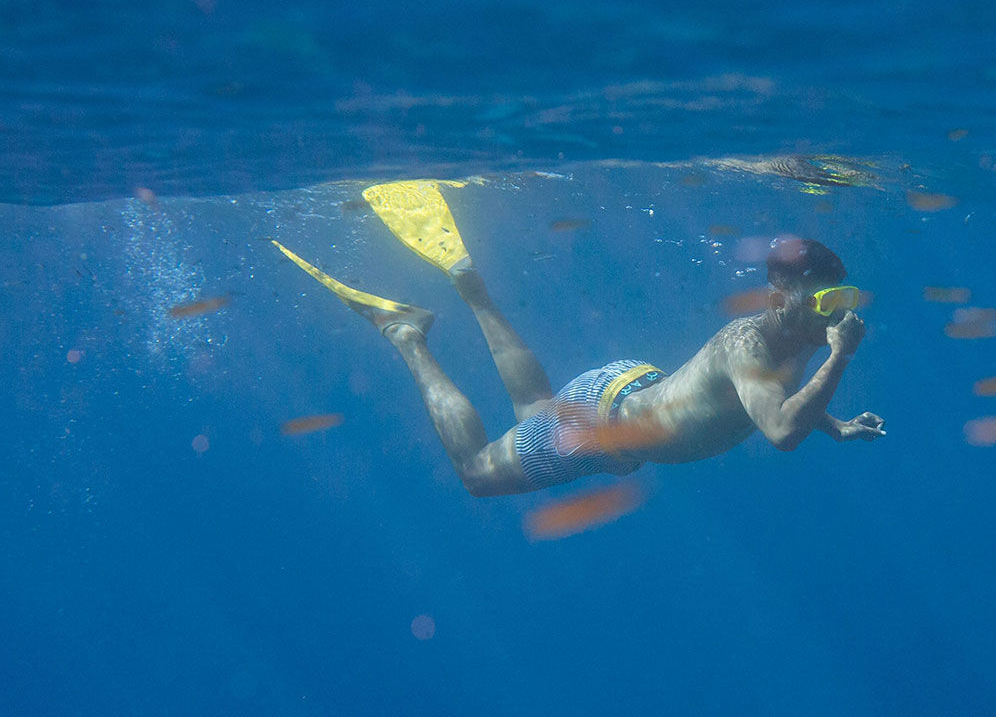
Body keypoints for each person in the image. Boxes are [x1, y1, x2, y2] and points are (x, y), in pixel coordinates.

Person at [273, 181, 884, 497]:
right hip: (602, 424)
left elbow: (777, 402)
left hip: (622, 395)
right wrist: (841, 355)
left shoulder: (797, 332)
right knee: (477, 474)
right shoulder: (750, 343)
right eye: (828, 303)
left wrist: (836, 424)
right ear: (778, 298)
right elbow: (778, 430)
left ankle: (470, 287)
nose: (836, 315)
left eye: (844, 300)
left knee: (535, 411)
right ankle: (409, 336)